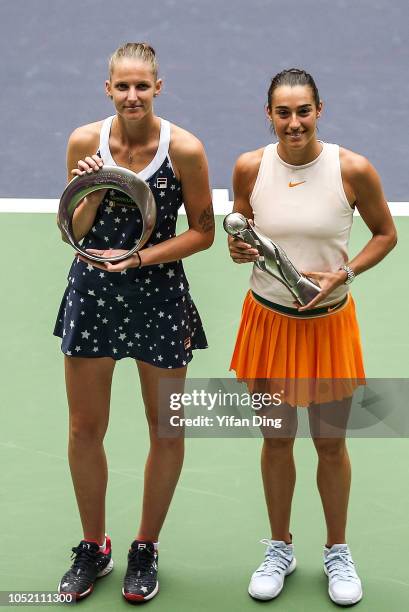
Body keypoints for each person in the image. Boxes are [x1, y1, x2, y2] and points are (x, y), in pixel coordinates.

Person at [228, 68, 397, 606]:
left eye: (303, 111)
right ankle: (280, 546)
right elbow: (242, 229)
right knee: (276, 441)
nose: (294, 123)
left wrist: (345, 273)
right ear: (269, 115)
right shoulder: (250, 167)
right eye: (284, 113)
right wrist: (236, 249)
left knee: (330, 444)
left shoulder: (352, 169)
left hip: (329, 327)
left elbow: (386, 234)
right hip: (269, 323)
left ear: (319, 110)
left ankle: (337, 551)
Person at [54, 42, 214, 603]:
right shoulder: (84, 141)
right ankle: (94, 547)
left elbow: (202, 232)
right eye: (122, 86)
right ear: (108, 89)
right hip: (93, 294)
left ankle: (144, 548)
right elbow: (70, 230)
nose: (132, 95)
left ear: (158, 88)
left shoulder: (186, 150)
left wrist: (140, 258)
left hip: (158, 297)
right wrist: (95, 185)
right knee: (84, 428)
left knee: (165, 428)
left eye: (142, 86)